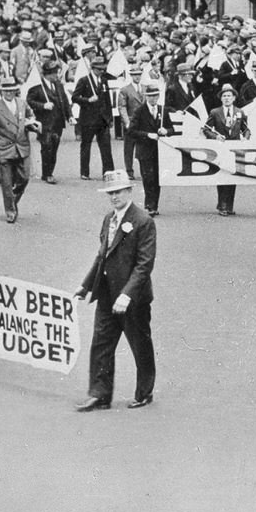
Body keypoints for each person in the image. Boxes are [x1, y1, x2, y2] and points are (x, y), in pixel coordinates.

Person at [74, 170, 157, 412]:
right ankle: (99, 393)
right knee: (101, 343)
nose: (114, 197)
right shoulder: (108, 219)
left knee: (140, 344)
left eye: (118, 192)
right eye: (110, 193)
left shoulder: (143, 221)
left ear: (129, 191)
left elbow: (144, 265)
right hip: (107, 293)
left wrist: (127, 294)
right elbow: (102, 255)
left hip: (133, 298)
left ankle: (144, 392)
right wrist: (86, 285)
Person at [0, 75, 39, 224]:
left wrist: (32, 123)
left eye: (11, 90)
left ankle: (13, 199)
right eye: (5, 91)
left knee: (24, 178)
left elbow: (30, 115)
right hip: (4, 149)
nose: (8, 93)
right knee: (6, 183)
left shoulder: (22, 103)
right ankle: (10, 210)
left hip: (21, 146)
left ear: (15, 91)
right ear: (1, 92)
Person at [127, 82, 172, 217]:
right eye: (150, 96)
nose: (153, 99)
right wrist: (147, 135)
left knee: (158, 179)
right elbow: (131, 131)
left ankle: (154, 205)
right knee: (148, 178)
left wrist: (166, 131)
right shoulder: (139, 111)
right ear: (146, 97)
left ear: (158, 96)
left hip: (159, 151)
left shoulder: (163, 110)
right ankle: (149, 205)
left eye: (155, 96)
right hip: (145, 151)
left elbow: (172, 129)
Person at [205, 82, 248, 215]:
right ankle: (222, 204)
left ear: (234, 98)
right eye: (224, 96)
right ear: (221, 98)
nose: (227, 98)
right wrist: (215, 137)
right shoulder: (215, 112)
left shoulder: (240, 112)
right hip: (221, 148)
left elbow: (246, 129)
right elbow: (206, 129)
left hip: (234, 149)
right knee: (222, 175)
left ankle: (229, 205)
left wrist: (245, 137)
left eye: (229, 96)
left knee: (233, 176)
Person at [72, 54, 115, 180]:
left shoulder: (104, 81)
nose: (101, 71)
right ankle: (84, 172)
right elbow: (74, 97)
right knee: (86, 146)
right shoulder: (84, 81)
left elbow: (108, 100)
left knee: (106, 147)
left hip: (103, 120)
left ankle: (108, 172)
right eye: (99, 69)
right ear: (93, 69)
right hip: (88, 119)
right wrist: (88, 100)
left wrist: (110, 118)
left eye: (103, 69)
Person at [28, 58, 70, 184]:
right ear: (48, 74)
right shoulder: (37, 86)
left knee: (54, 148)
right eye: (55, 73)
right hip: (45, 122)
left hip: (57, 123)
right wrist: (43, 106)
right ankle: (47, 174)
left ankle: (49, 171)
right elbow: (30, 101)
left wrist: (70, 116)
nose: (57, 75)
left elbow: (65, 102)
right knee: (47, 147)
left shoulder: (58, 85)